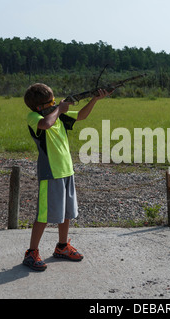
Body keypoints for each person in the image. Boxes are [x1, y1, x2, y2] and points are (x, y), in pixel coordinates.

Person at [22, 83, 111, 271]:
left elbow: (81, 116)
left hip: (66, 170)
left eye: (55, 101)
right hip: (50, 172)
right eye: (51, 102)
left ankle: (62, 246)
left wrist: (95, 98)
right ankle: (31, 252)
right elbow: (46, 124)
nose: (54, 104)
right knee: (44, 215)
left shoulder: (57, 116)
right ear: (40, 107)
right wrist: (60, 108)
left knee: (67, 213)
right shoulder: (34, 117)